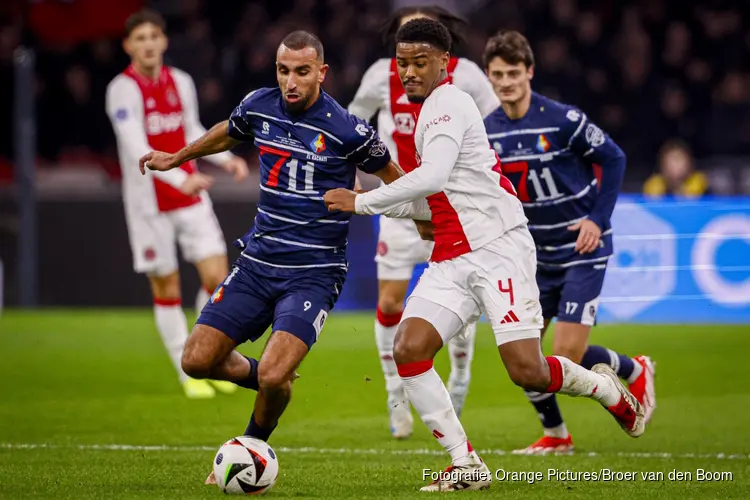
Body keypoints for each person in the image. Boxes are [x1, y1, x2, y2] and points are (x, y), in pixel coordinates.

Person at [324, 18, 645, 492]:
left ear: (444, 64)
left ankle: (605, 389)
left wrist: (363, 202)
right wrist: (392, 207)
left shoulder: (449, 103)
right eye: (402, 63)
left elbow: (431, 178)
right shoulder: (427, 110)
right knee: (409, 348)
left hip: (497, 248)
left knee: (527, 371)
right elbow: (433, 194)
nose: (408, 72)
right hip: (451, 256)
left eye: (419, 63)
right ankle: (465, 463)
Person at [139, 30, 403, 484]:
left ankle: (252, 444)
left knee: (276, 371)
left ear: (321, 72)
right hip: (257, 264)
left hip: (313, 275)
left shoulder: (347, 129)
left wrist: (375, 204)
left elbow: (396, 178)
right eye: (284, 71)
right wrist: (179, 158)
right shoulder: (259, 105)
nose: (291, 81)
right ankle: (273, 381)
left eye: (302, 71)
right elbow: (231, 130)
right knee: (197, 361)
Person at [481, 30, 656, 454]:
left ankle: (635, 369)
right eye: (497, 74)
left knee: (568, 357)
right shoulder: (486, 131)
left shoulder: (562, 119)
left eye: (513, 73)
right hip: (530, 259)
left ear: (530, 72)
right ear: (488, 76)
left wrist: (598, 218)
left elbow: (613, 158)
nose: (505, 82)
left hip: (581, 249)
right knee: (521, 355)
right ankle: (557, 436)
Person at [347, 5, 499, 438]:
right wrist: (363, 177)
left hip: (452, 205)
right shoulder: (380, 75)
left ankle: (462, 373)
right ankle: (396, 395)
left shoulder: (465, 76)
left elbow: (495, 125)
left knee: (458, 303)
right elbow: (353, 122)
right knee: (391, 302)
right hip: (400, 202)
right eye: (403, 36)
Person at [105, 9, 248, 399]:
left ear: (164, 41)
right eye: (140, 38)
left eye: (154, 36)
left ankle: (207, 356)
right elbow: (136, 145)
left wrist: (223, 156)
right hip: (150, 204)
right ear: (129, 46)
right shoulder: (122, 89)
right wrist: (181, 177)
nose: (148, 44)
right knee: (167, 287)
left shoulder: (180, 81)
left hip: (191, 196)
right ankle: (189, 373)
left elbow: (191, 130)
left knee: (217, 278)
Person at [643, 139, 709, 198]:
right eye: (670, 161)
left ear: (689, 163)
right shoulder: (655, 184)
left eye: (678, 160)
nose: (675, 166)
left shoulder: (700, 182)